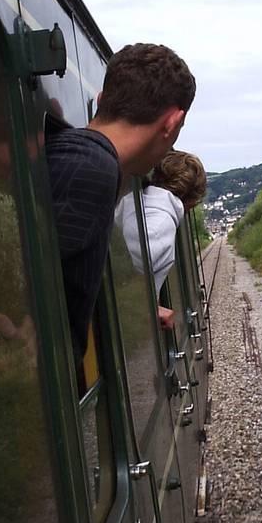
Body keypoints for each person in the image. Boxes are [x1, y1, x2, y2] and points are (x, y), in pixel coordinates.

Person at [46, 43, 195, 366]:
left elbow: (64, 278)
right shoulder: (92, 168)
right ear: (172, 123)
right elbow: (36, 308)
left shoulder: (89, 161)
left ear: (101, 102)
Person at [115, 150, 207, 330]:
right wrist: (149, 310)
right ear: (192, 199)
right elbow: (122, 284)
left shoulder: (133, 203)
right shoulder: (158, 227)